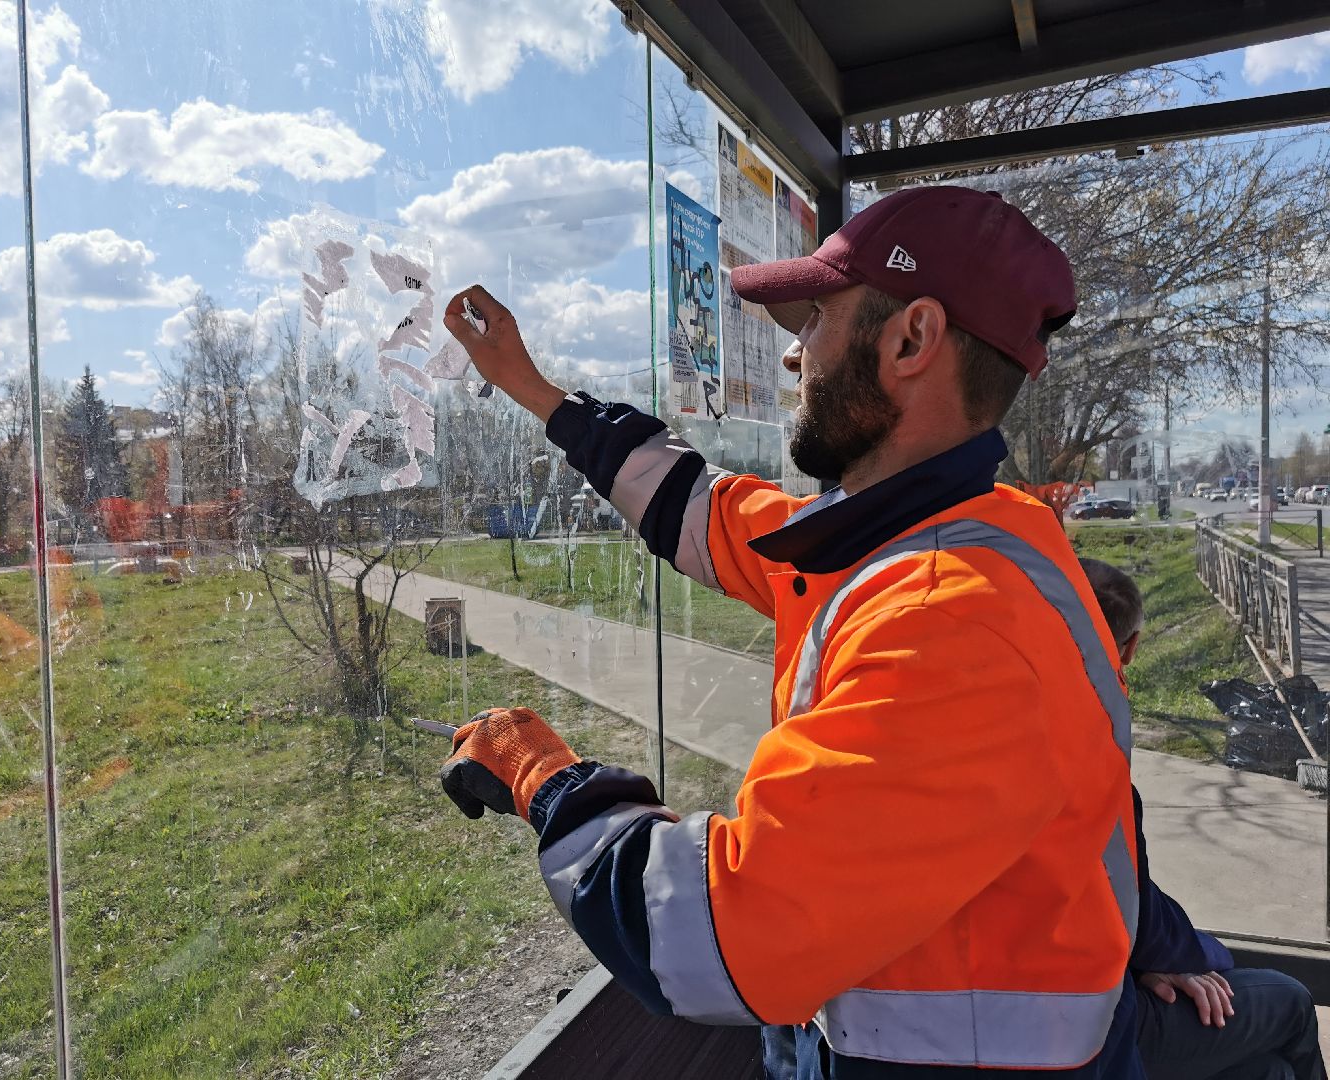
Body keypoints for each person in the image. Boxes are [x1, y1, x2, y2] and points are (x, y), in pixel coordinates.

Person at [436, 186, 1142, 1078]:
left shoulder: (952, 621)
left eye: (813, 320)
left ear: (910, 340)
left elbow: (712, 936)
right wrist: (533, 389)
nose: (793, 358)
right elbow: (703, 510)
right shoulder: (939, 532)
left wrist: (542, 777)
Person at [1079, 557, 1326, 1080]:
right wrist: (1199, 958)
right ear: (1129, 648)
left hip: (1058, 1006)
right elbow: (1133, 901)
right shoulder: (1088, 752)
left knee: (1267, 1073)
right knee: (1290, 1000)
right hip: (1089, 1027)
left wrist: (1153, 959)